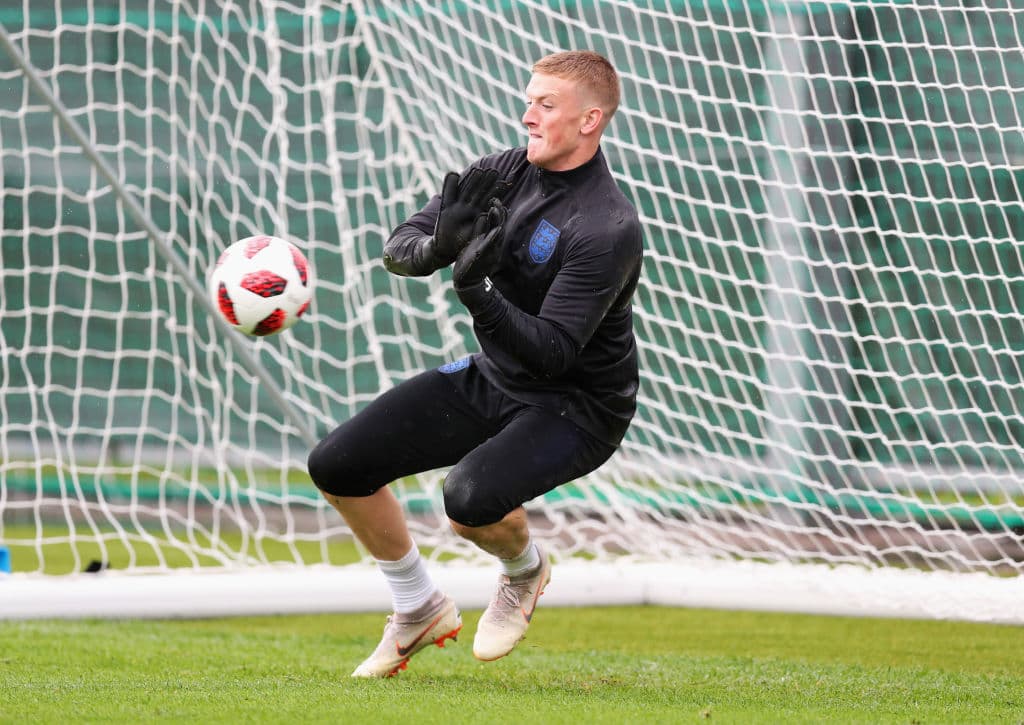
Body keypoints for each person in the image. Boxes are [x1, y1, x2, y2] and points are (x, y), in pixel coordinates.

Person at [307, 49, 643, 678]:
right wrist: (437, 246)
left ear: (590, 119)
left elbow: (552, 355)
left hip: (577, 407)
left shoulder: (607, 226)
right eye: (528, 100)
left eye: (545, 105)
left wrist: (477, 292)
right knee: (337, 465)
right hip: (495, 377)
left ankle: (524, 572)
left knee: (468, 502)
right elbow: (398, 249)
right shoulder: (501, 172)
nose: (527, 116)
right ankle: (417, 605)